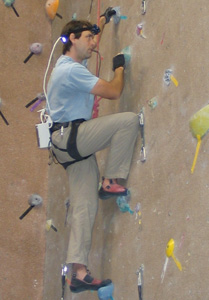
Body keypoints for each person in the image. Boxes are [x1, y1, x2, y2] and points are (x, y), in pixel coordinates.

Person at [47, 7, 139, 293]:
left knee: (84, 206)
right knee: (128, 121)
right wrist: (120, 67)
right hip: (70, 136)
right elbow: (113, 91)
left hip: (65, 146)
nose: (93, 43)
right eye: (88, 38)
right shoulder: (70, 70)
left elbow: (90, 33)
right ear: (72, 39)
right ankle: (111, 180)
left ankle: (78, 272)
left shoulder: (67, 65)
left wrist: (100, 21)